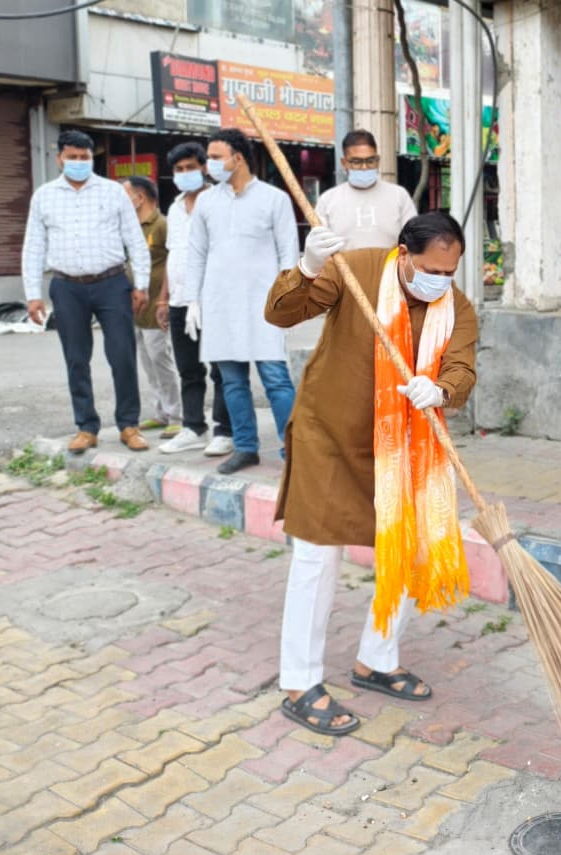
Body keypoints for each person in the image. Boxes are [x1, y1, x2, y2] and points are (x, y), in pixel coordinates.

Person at [263, 211, 477, 735]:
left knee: (407, 547)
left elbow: (461, 367)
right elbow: (282, 314)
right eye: (432, 270)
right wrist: (307, 268)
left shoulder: (456, 307)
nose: (441, 282)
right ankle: (299, 682)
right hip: (329, 438)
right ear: (403, 254)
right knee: (316, 556)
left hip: (400, 448)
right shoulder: (354, 269)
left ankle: (376, 661)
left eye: (450, 273)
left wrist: (441, 390)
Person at [21, 129, 152, 453]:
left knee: (122, 355)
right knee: (76, 359)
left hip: (112, 284)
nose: (78, 162)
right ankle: (86, 426)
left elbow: (135, 240)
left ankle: (129, 425)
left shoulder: (113, 192)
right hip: (67, 287)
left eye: (84, 157)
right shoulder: (44, 196)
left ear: (93, 158)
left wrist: (141, 284)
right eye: (72, 157)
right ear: (59, 159)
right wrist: (33, 294)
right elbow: (33, 246)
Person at [186, 129, 299, 475]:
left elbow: (288, 253)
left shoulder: (274, 199)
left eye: (216, 157)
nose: (209, 164)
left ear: (238, 158)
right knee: (232, 382)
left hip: (264, 305)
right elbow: (196, 253)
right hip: (220, 303)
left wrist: (288, 297)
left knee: (276, 379)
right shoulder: (206, 201)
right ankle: (246, 447)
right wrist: (193, 300)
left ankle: (295, 450)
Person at [155, 142, 234, 457]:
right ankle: (193, 428)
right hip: (179, 300)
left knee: (221, 368)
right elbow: (172, 255)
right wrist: (163, 300)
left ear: (203, 167)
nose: (185, 173)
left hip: (212, 299)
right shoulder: (174, 208)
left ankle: (224, 431)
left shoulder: (221, 201)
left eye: (190, 167)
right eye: (179, 169)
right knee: (188, 368)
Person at [121, 176, 182, 439]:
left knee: (160, 358)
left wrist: (164, 300)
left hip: (156, 303)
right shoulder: (130, 227)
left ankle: (177, 414)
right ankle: (161, 411)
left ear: (140, 197)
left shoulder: (162, 225)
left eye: (125, 195)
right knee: (147, 361)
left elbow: (173, 262)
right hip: (135, 306)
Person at [315, 130, 417, 251]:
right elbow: (319, 247)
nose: (364, 167)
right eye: (356, 162)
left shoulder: (399, 196)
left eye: (370, 161)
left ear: (377, 161)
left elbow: (414, 241)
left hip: (392, 263)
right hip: (343, 264)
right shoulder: (327, 200)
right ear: (344, 163)